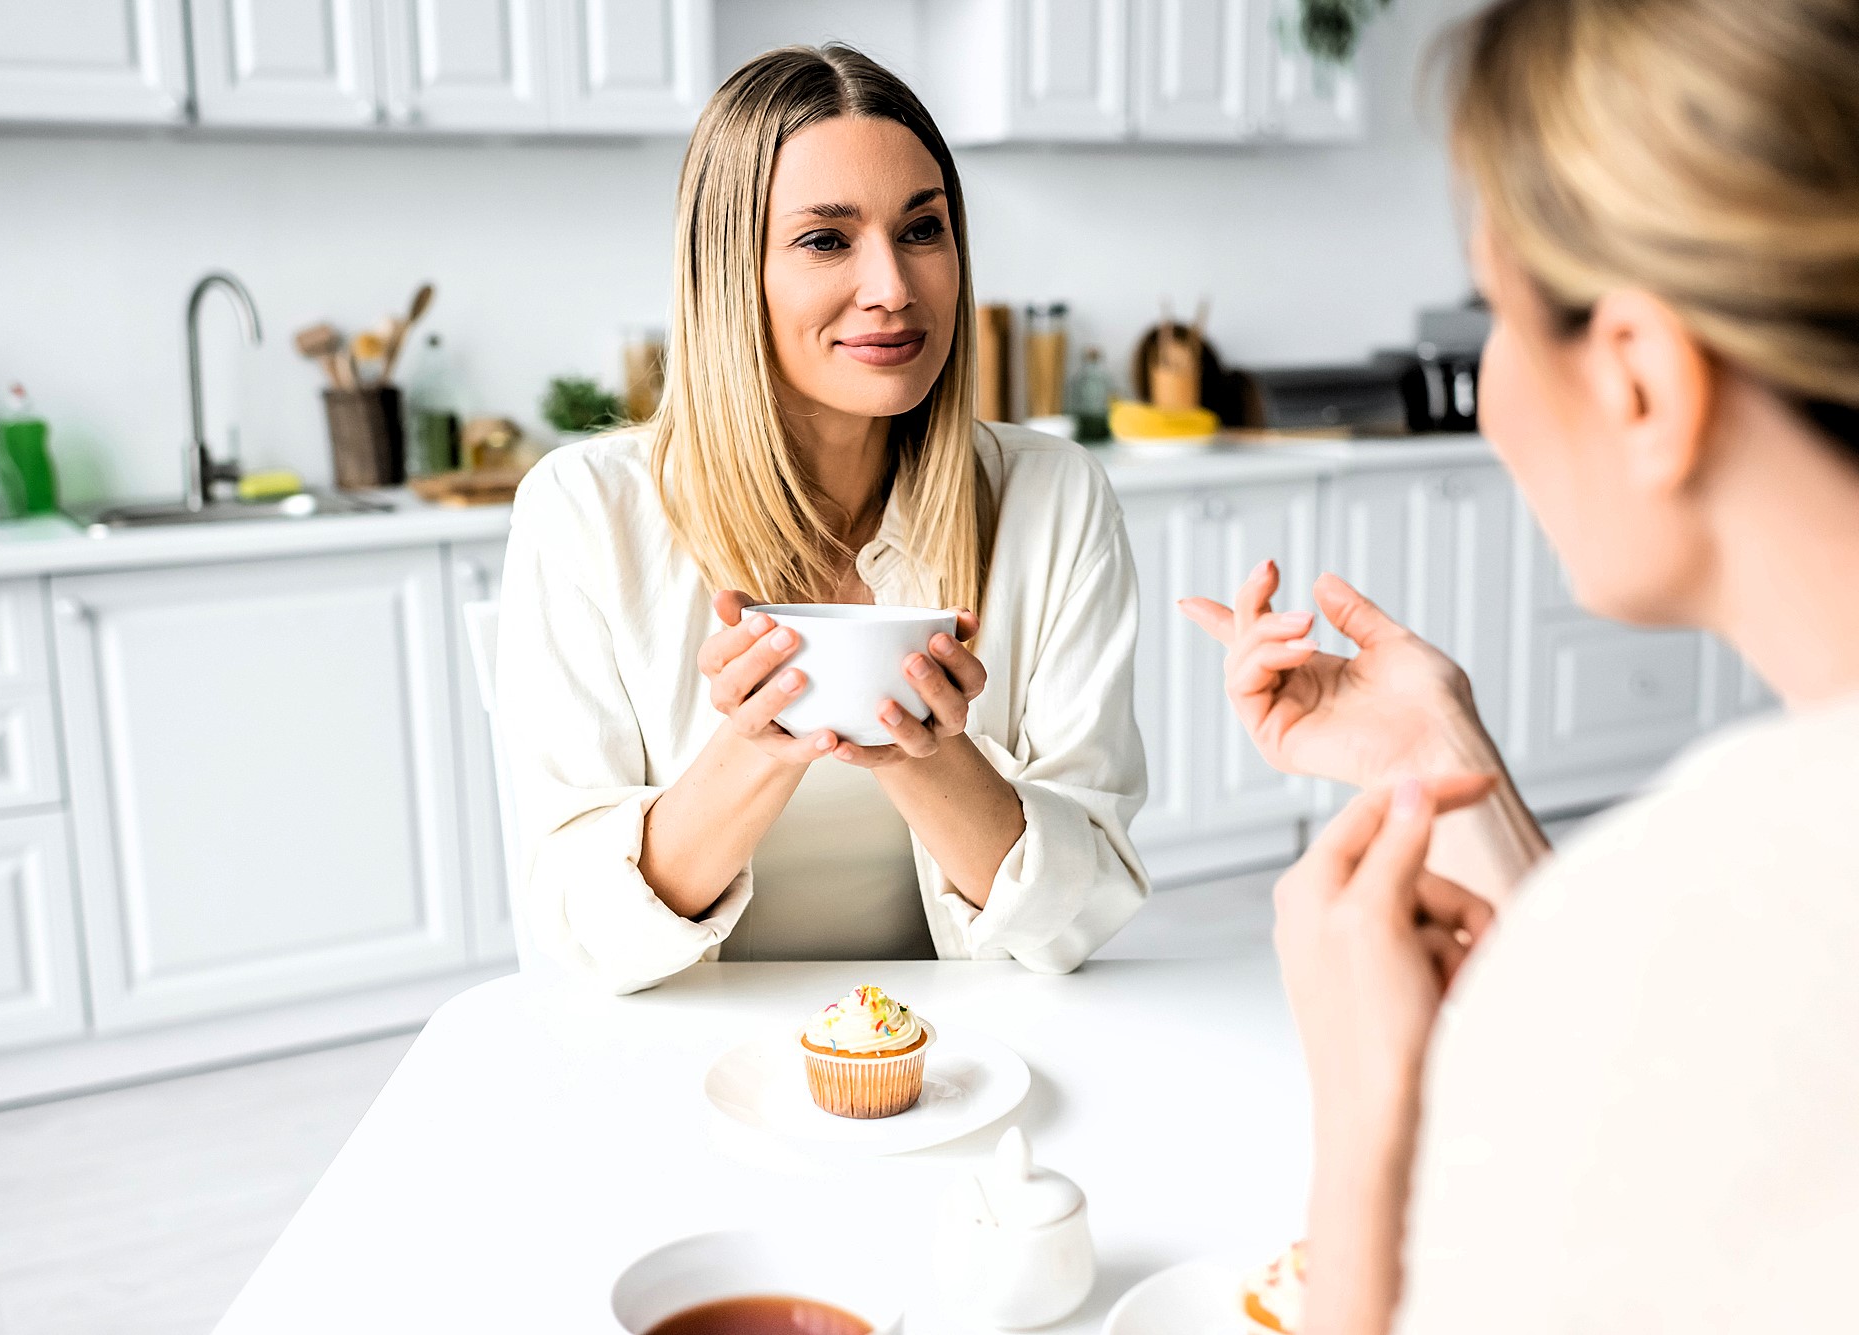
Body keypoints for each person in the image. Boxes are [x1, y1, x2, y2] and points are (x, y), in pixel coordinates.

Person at [1178, 0, 1859, 1328]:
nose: (1486, 385)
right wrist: (1448, 771)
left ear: (1642, 380)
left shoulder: (1681, 914)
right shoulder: (1716, 903)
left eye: (1496, 310)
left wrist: (1374, 1115)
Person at [496, 45, 1148, 995]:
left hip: (968, 1050)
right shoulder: (584, 511)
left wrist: (927, 753)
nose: (893, 285)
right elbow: (580, 929)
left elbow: (1084, 911)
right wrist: (754, 747)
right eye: (826, 239)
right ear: (731, 272)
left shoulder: (1054, 497)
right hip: (688, 1057)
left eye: (922, 229)